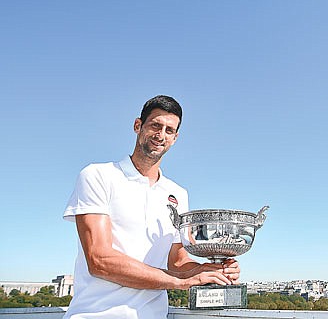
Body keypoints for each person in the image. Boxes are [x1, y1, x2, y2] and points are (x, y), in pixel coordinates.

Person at [63, 95, 240, 318]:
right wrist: (180, 281)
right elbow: (100, 260)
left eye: (169, 130)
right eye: (155, 125)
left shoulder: (178, 194)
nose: (160, 135)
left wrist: (209, 271)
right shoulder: (98, 175)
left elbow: (177, 261)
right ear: (138, 126)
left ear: (175, 138)